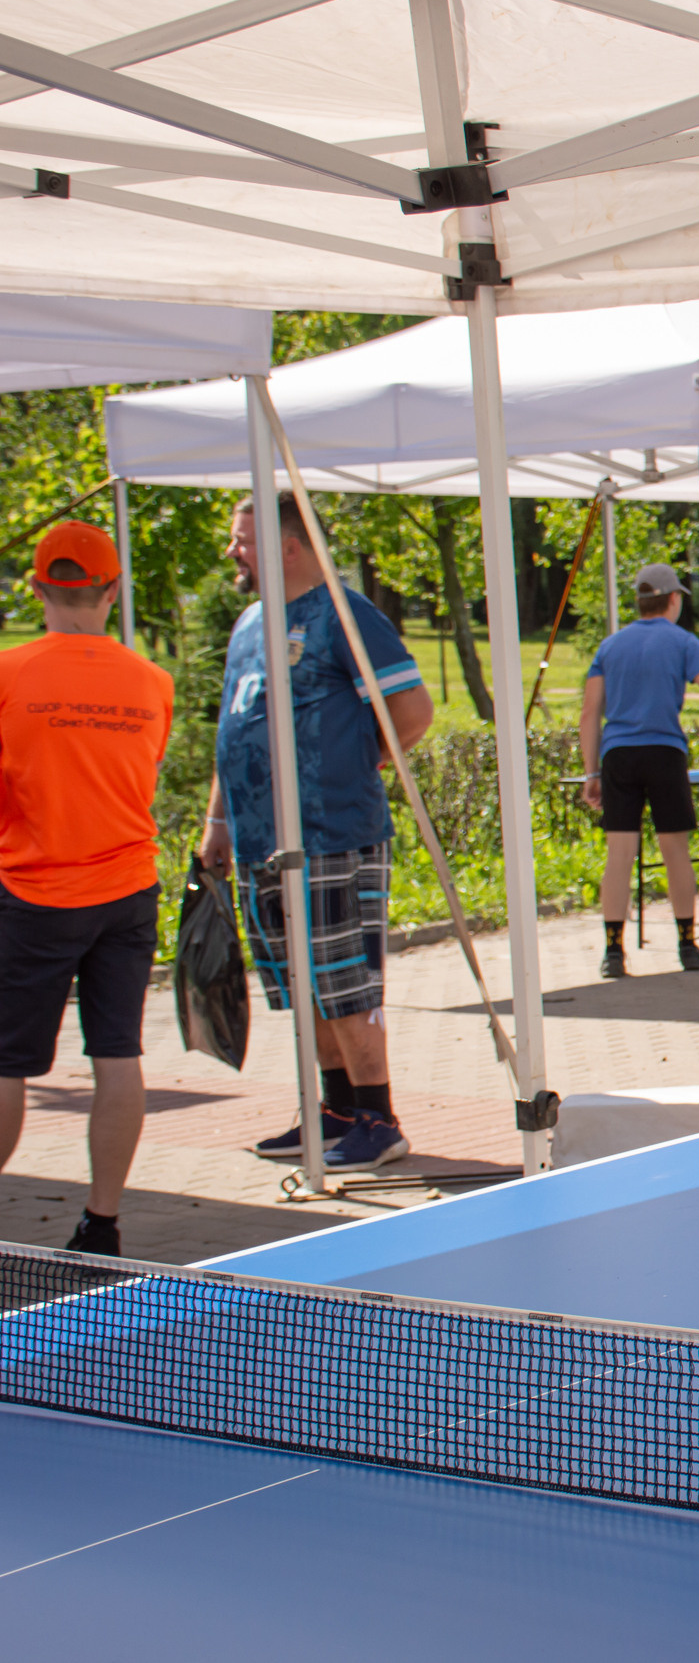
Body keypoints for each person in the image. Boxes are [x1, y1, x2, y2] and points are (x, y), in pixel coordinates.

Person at [199, 495, 432, 1168]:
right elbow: (233, 727)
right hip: (258, 841)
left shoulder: (344, 615)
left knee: (344, 983)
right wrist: (218, 820)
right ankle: (334, 1113)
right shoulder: (250, 623)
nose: (232, 552)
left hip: (331, 836)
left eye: (243, 540)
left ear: (287, 547)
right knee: (302, 987)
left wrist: (352, 765)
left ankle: (378, 1118)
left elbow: (411, 709)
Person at [0, 523, 175, 1257]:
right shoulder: (152, 683)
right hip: (127, 890)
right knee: (117, 1053)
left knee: (8, 1062)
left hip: (32, 890)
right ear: (112, 591)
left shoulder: (9, 674)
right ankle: (101, 1223)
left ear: (38, 589)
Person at [580, 562, 699, 979]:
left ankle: (613, 951)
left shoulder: (610, 646)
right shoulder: (683, 642)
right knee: (675, 852)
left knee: (619, 855)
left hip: (618, 755)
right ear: (673, 600)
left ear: (640, 601)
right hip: (664, 752)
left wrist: (590, 772)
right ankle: (687, 945)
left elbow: (589, 712)